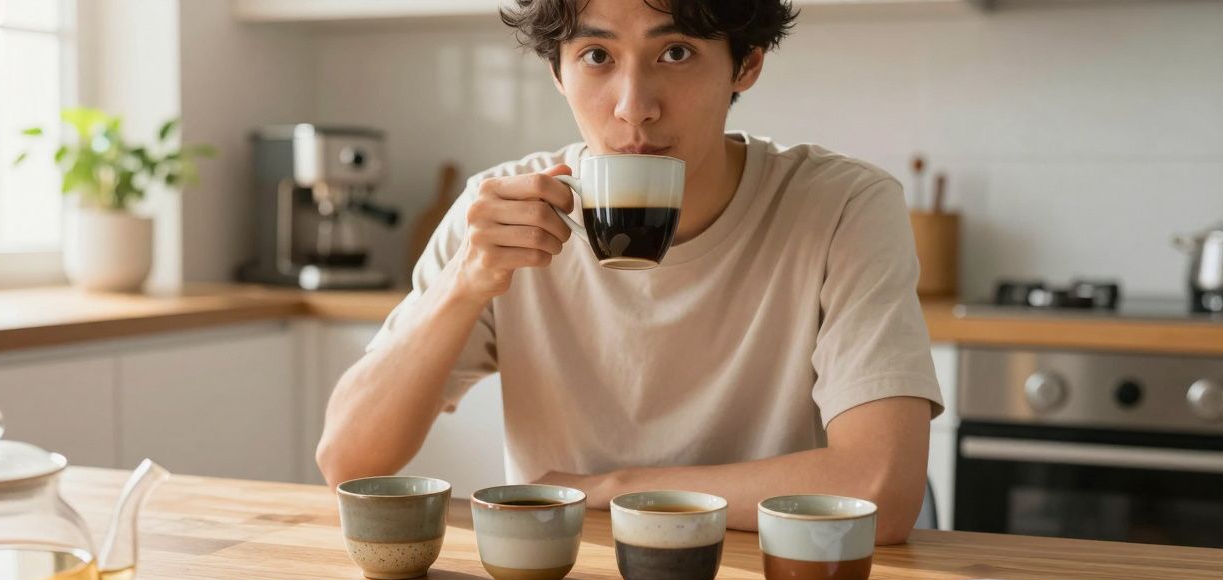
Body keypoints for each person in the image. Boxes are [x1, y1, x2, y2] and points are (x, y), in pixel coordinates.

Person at [317, 0, 943, 544]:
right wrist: (463, 283)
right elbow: (348, 459)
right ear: (556, 73)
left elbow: (879, 488)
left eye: (675, 52)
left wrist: (611, 488)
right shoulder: (499, 212)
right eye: (596, 55)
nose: (633, 107)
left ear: (746, 63)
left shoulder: (841, 206)